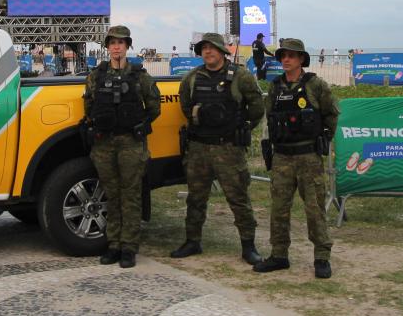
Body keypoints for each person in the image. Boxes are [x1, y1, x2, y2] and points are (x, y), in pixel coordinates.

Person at [170, 32, 265, 265]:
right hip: (199, 148)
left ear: (222, 51)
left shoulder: (240, 76)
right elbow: (185, 106)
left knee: (238, 198)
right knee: (195, 198)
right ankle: (193, 241)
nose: (208, 52)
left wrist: (241, 128)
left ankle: (248, 245)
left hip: (228, 149)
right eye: (204, 48)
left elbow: (256, 107)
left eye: (212, 48)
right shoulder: (192, 78)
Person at [254, 38, 340, 279]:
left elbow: (331, 114)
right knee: (279, 208)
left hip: (308, 157)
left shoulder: (315, 85)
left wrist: (323, 139)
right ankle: (279, 255)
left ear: (301, 59)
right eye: (283, 56)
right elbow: (270, 116)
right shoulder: (275, 86)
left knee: (314, 209)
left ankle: (322, 257)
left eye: (291, 55)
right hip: (282, 157)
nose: (286, 60)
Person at [82, 25, 161, 269]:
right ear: (107, 47)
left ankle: (129, 247)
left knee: (131, 195)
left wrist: (139, 125)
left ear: (127, 46)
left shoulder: (139, 76)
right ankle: (113, 244)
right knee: (112, 194)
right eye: (112, 43)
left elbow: (154, 106)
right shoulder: (96, 76)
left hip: (131, 144)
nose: (116, 47)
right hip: (104, 144)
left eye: (121, 43)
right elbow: (89, 105)